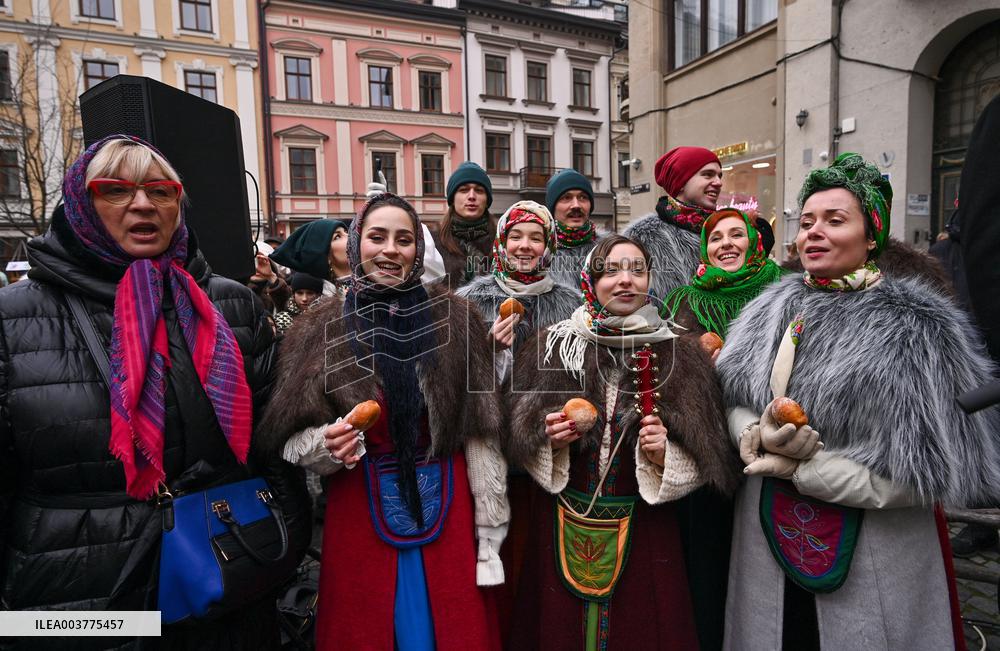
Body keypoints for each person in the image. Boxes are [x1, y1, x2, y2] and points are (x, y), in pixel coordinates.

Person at [0, 135, 311, 649]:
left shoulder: (232, 304)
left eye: (161, 191)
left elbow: (272, 445)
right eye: (116, 189)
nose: (143, 203)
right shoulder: (14, 318)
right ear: (80, 204)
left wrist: (282, 553)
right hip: (82, 607)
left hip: (226, 590)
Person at [717, 153, 1000, 649]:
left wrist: (806, 472)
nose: (814, 233)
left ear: (871, 236)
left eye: (835, 220)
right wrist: (752, 433)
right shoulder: (768, 307)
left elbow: (935, 470)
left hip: (873, 551)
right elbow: (733, 393)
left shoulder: (918, 326)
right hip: (768, 539)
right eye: (807, 222)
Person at [259, 193, 509, 651]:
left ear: (418, 249)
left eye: (404, 239)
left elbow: (480, 432)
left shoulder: (458, 318)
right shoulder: (319, 328)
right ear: (358, 244)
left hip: (449, 500)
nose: (390, 250)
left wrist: (490, 528)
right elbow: (289, 437)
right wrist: (325, 444)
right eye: (377, 237)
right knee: (367, 627)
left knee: (453, 625)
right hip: (359, 499)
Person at [505, 234, 740, 650]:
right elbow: (515, 432)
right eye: (611, 270)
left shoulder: (682, 355)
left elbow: (711, 455)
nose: (625, 280)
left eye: (637, 270)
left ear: (650, 281)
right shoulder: (553, 346)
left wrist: (666, 455)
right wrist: (549, 440)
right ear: (591, 281)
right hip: (561, 519)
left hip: (646, 527)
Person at [456, 200, 579, 381]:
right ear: (502, 243)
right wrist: (490, 349)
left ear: (548, 246)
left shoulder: (573, 306)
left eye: (536, 238)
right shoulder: (468, 302)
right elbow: (454, 377)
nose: (525, 245)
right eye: (515, 237)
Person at [664, 207, 784, 341]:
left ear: (753, 240)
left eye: (736, 235)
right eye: (715, 239)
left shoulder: (784, 284)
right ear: (705, 248)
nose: (726, 243)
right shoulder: (687, 302)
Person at [624, 146, 721, 302]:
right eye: (708, 175)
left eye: (719, 176)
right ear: (681, 182)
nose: (718, 182)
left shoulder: (726, 230)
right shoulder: (641, 237)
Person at [432, 161, 497, 287]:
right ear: (452, 199)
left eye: (479, 190)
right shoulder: (431, 243)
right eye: (463, 190)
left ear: (487, 200)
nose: (471, 196)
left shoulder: (502, 243)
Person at [545, 169, 604, 289]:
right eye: (566, 197)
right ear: (553, 208)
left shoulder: (610, 248)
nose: (576, 205)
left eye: (583, 197)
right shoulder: (538, 253)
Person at [270, 218, 350, 296]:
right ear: (325, 258)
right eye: (337, 236)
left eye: (346, 231)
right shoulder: (339, 300)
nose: (350, 236)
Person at [274, 271, 324, 336]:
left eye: (310, 293)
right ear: (293, 294)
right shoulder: (283, 319)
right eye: (299, 293)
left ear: (318, 295)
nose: (304, 299)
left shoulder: (326, 316)